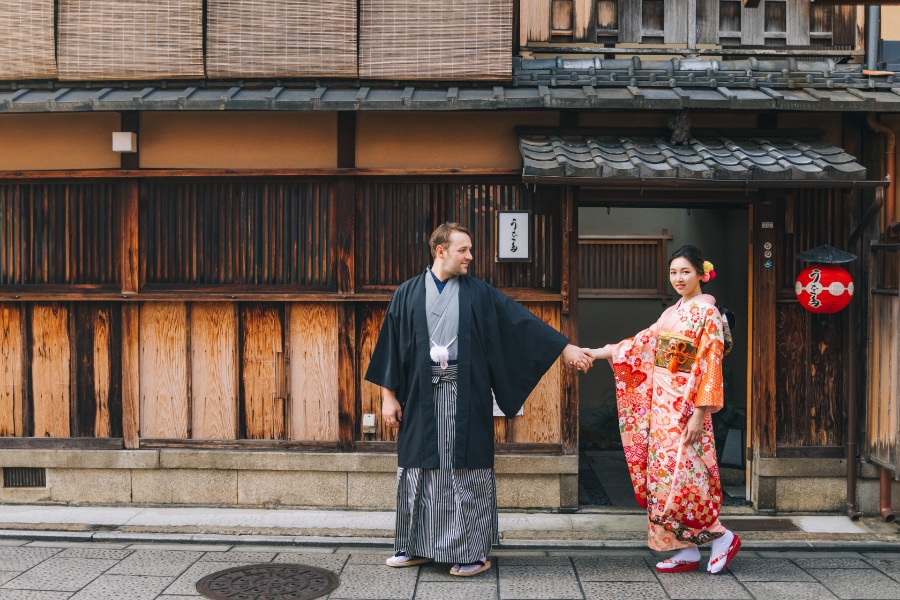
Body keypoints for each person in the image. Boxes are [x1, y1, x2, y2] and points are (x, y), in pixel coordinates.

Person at [365, 222, 592, 577]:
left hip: (465, 395)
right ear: (440, 251)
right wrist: (388, 397)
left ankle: (471, 552)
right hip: (420, 394)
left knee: (466, 469)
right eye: (463, 250)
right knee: (417, 468)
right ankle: (415, 545)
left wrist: (565, 348)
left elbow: (521, 323)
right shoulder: (407, 293)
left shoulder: (479, 293)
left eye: (470, 249)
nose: (470, 256)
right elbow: (391, 348)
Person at [586, 245, 740, 574]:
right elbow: (642, 343)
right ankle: (682, 549)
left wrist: (701, 412)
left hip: (687, 405)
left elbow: (711, 363)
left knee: (688, 478)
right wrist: (601, 353)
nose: (678, 278)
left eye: (685, 271)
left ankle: (722, 536)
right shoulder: (672, 313)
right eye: (673, 273)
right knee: (662, 478)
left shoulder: (707, 314)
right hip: (662, 407)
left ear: (702, 273)